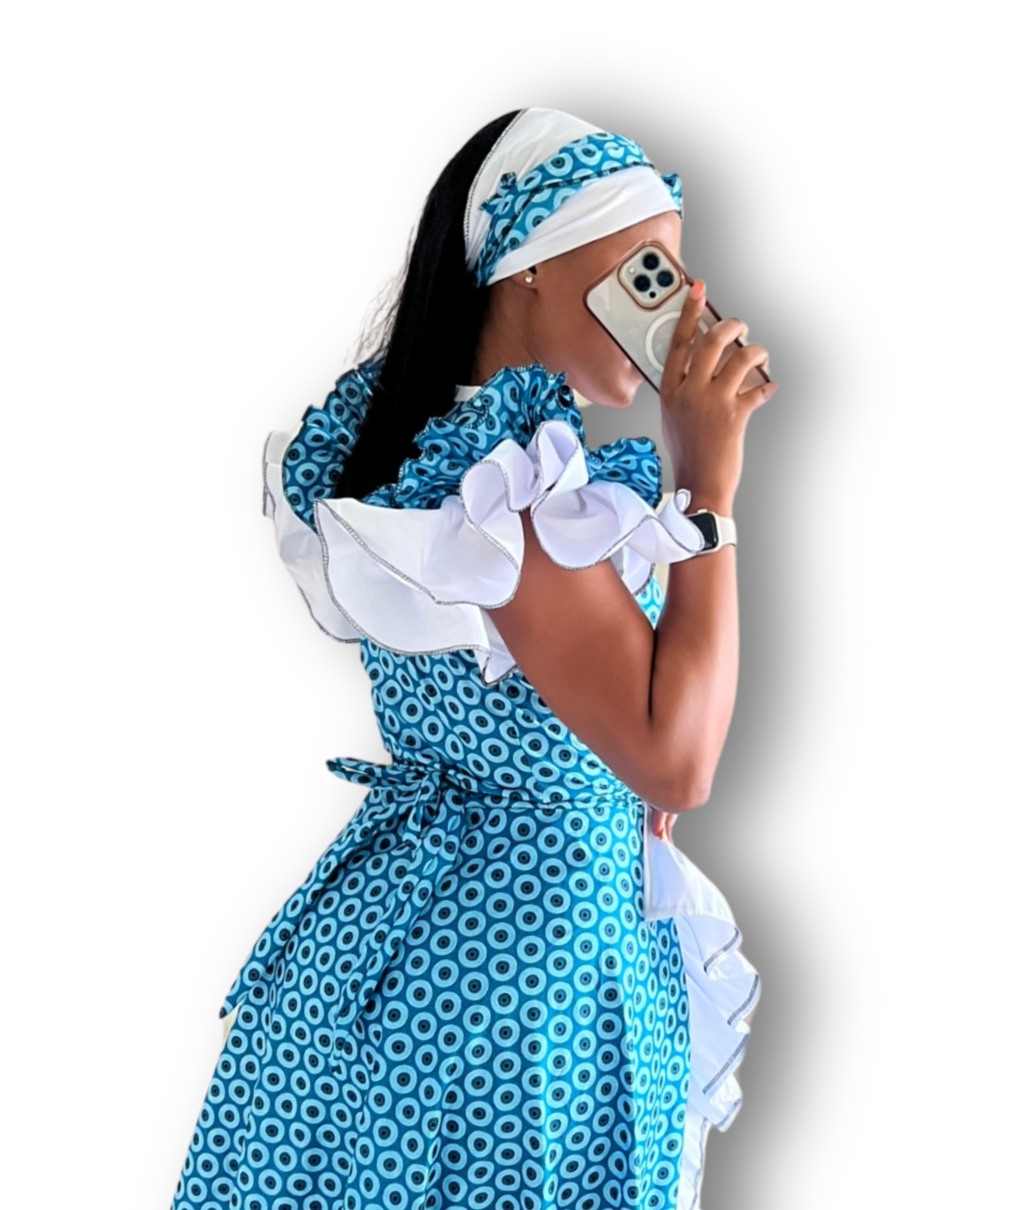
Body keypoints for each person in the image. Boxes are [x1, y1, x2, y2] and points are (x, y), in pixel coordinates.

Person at [170, 106, 771, 1210]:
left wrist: (598, 781)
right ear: (529, 267)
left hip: (426, 955)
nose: (679, 302)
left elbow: (586, 736)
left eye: (679, 270)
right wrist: (711, 489)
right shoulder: (514, 501)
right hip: (522, 998)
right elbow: (678, 762)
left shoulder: (440, 466)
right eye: (644, 268)